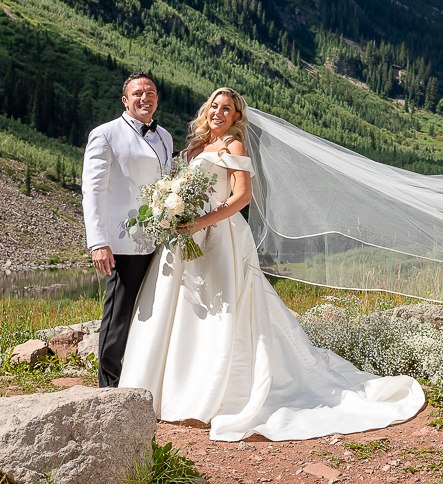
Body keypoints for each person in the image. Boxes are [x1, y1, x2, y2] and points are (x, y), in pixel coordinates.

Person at [119, 87, 424, 441]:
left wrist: (203, 222)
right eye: (215, 106)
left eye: (227, 109)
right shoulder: (193, 147)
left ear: (236, 117)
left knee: (221, 312)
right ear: (207, 110)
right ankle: (165, 387)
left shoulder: (233, 147)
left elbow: (242, 195)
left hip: (221, 238)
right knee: (185, 308)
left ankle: (208, 395)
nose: (218, 112)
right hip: (185, 237)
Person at [82, 72, 173, 388]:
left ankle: (140, 377)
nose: (144, 97)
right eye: (138, 93)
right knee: (118, 314)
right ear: (125, 100)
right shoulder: (105, 135)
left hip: (158, 240)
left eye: (150, 92)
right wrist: (98, 242)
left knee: (149, 312)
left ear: (157, 99)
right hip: (121, 241)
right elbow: (92, 191)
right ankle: (109, 385)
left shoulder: (165, 136)